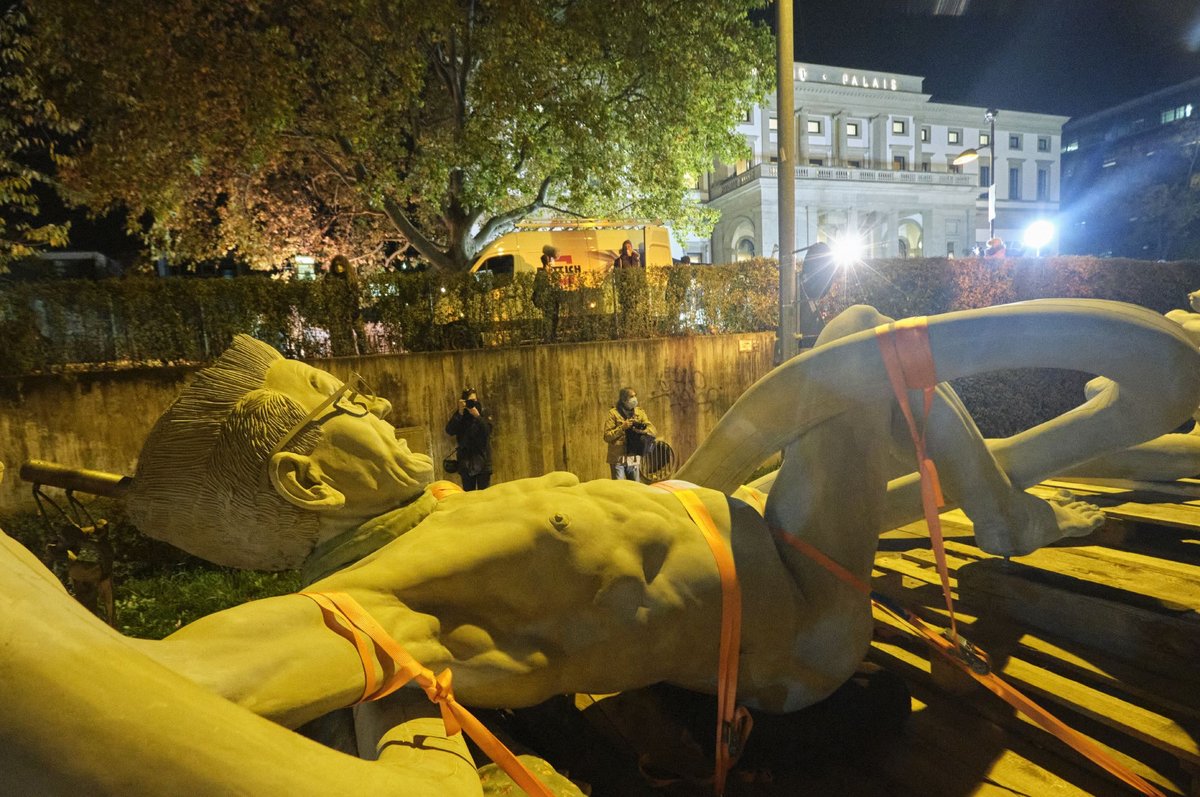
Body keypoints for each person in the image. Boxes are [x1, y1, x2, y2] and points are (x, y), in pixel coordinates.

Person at [4, 299, 1200, 795]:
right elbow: (174, 681)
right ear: (307, 478)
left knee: (841, 364)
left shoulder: (439, 517)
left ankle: (1023, 480)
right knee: (858, 341)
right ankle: (1011, 508)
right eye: (345, 406)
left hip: (744, 527)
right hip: (793, 631)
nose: (379, 404)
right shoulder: (384, 594)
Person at [603, 387, 657, 481]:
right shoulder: (613, 414)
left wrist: (641, 430)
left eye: (635, 396)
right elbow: (607, 436)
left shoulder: (639, 413)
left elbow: (653, 430)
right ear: (624, 400)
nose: (635, 399)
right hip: (618, 459)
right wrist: (622, 428)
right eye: (631, 396)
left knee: (635, 486)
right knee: (620, 487)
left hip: (633, 458)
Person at [445, 387, 493, 490]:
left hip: (483, 462)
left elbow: (487, 432)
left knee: (485, 496)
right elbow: (449, 430)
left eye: (474, 400)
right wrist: (459, 413)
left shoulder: (483, 413)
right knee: (469, 496)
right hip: (466, 463)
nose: (472, 403)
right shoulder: (461, 416)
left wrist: (477, 416)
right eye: (469, 401)